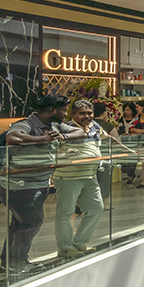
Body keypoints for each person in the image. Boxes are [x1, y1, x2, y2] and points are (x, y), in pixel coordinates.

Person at [0, 93, 70, 274]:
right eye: (63, 110)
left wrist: (63, 136)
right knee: (31, 222)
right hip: (20, 186)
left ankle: (9, 263)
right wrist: (42, 139)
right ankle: (16, 264)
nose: (65, 114)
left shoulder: (53, 125)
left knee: (20, 223)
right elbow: (13, 137)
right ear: (52, 110)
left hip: (37, 183)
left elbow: (80, 131)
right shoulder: (26, 124)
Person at [52, 98, 109, 260]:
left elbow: (108, 138)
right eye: (82, 113)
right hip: (68, 177)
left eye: (89, 113)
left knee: (96, 208)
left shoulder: (95, 127)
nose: (87, 116)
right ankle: (64, 248)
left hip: (90, 176)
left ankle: (79, 243)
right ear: (73, 114)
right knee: (65, 212)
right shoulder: (65, 129)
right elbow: (53, 151)